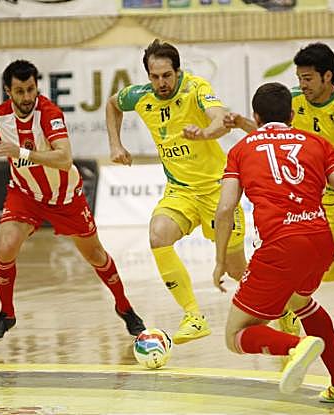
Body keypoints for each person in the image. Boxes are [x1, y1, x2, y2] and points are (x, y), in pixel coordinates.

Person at [0, 59, 146, 341]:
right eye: (20, 91)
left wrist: (20, 152)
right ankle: (7, 314)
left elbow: (64, 158)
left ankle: (124, 306)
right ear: (8, 91)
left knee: (95, 255)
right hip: (25, 195)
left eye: (31, 89)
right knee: (6, 246)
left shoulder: (49, 113)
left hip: (65, 198)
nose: (27, 97)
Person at [224, 42, 334, 360]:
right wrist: (244, 124)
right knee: (306, 268)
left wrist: (314, 156)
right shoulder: (295, 102)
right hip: (317, 196)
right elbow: (273, 135)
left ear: (328, 76)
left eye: (308, 78)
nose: (302, 85)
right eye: (299, 78)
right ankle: (299, 317)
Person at [214, 82, 334, 403]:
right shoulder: (318, 143)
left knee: (235, 335)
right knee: (301, 302)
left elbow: (225, 209)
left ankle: (296, 346)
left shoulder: (240, 150)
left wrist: (219, 261)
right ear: (292, 115)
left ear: (256, 117)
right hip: (320, 242)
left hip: (281, 246)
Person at [105, 39, 246, 345]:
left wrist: (204, 133)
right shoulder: (140, 96)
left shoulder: (196, 88)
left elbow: (222, 120)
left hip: (217, 190)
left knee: (236, 269)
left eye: (167, 76)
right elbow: (113, 104)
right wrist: (115, 144)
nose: (161, 83)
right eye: (155, 77)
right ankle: (193, 316)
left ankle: (284, 309)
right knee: (158, 236)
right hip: (180, 191)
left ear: (178, 72)